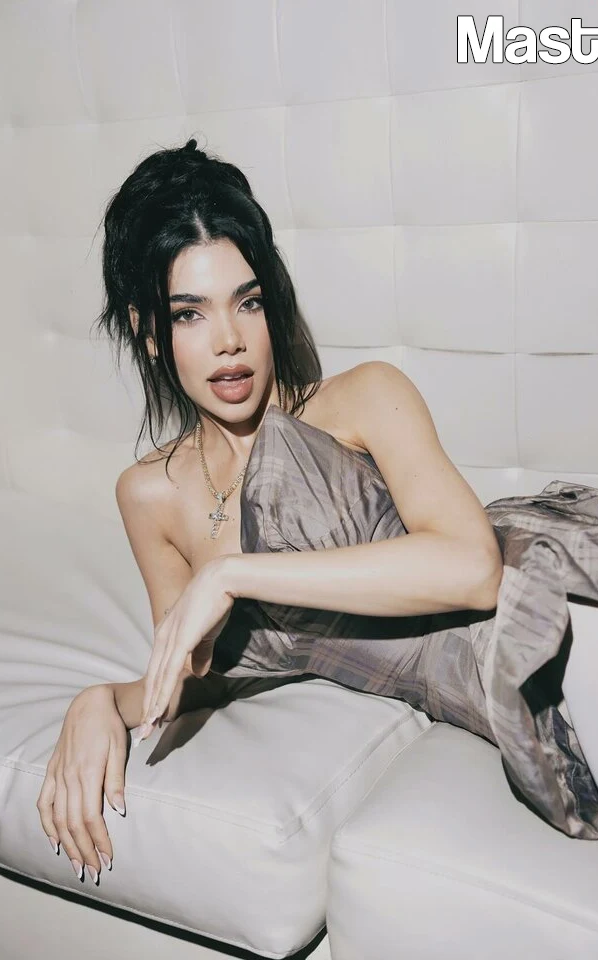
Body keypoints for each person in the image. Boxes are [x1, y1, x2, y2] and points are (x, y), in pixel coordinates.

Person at [36, 137, 503, 887]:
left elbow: (475, 568)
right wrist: (101, 705)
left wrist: (232, 575)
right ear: (149, 331)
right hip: (504, 703)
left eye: (247, 302)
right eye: (190, 315)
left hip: (570, 620)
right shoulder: (149, 495)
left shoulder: (362, 400)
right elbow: (194, 674)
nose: (229, 341)